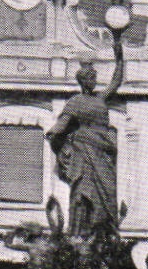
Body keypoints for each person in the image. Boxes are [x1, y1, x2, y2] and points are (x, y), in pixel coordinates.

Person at [47, 28, 125, 238]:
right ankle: (80, 236)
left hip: (104, 154)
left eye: (95, 77)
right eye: (91, 77)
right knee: (83, 194)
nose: (94, 80)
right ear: (84, 80)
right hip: (84, 155)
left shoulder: (100, 99)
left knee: (107, 194)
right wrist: (61, 150)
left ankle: (105, 234)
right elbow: (59, 129)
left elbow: (116, 80)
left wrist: (119, 52)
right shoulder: (75, 102)